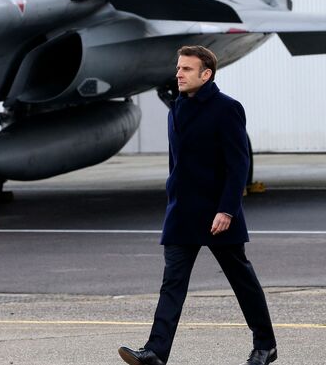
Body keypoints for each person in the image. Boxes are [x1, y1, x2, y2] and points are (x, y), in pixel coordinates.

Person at [118, 46, 277, 365]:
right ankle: (155, 351)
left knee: (242, 281)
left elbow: (238, 163)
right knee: (171, 285)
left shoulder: (227, 108)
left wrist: (227, 209)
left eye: (187, 69)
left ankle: (265, 345)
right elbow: (175, 163)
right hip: (181, 214)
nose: (179, 73)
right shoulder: (176, 108)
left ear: (206, 74)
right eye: (178, 68)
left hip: (218, 214)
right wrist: (171, 194)